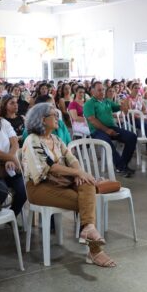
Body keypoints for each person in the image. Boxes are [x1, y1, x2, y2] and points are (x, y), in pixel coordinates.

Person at [21, 103, 115, 267]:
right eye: (53, 115)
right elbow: (49, 166)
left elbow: (72, 159)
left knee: (87, 185)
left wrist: (79, 171)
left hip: (61, 182)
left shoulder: (55, 139)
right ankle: (95, 251)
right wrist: (77, 173)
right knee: (87, 201)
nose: (58, 117)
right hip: (39, 187)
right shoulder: (32, 140)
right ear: (43, 120)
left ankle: (89, 229)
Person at [83, 81, 137, 177]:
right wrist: (106, 130)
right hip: (97, 131)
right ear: (92, 91)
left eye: (103, 89)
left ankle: (121, 166)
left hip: (112, 127)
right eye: (99, 90)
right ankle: (121, 167)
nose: (102, 92)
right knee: (107, 141)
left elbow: (119, 107)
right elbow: (92, 120)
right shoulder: (89, 104)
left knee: (132, 137)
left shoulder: (107, 101)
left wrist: (124, 105)